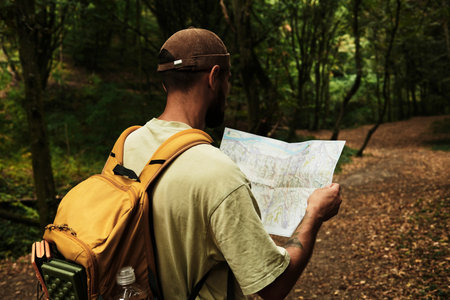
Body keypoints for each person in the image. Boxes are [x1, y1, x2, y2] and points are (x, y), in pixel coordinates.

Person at [123, 28, 342, 299]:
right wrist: (314, 215)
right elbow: (275, 286)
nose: (228, 89)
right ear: (214, 77)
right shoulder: (219, 174)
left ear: (165, 83)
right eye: (228, 79)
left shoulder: (127, 144)